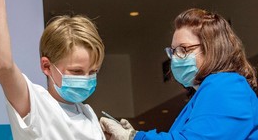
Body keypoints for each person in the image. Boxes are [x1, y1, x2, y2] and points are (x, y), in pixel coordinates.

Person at [0, 0, 105, 140]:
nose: (86, 79)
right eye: (76, 71)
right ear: (46, 66)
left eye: (92, 72)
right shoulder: (36, 104)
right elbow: (2, 64)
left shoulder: (89, 115)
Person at [100, 8, 258, 139]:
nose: (175, 58)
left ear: (212, 49)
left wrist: (133, 137)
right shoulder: (207, 92)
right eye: (173, 51)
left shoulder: (226, 85)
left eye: (184, 49)